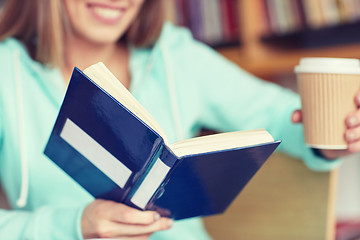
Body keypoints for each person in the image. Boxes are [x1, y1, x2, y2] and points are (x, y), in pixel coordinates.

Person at [0, 0, 359, 239]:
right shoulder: (6, 73)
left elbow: (280, 117)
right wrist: (73, 225)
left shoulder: (176, 56)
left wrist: (337, 133)